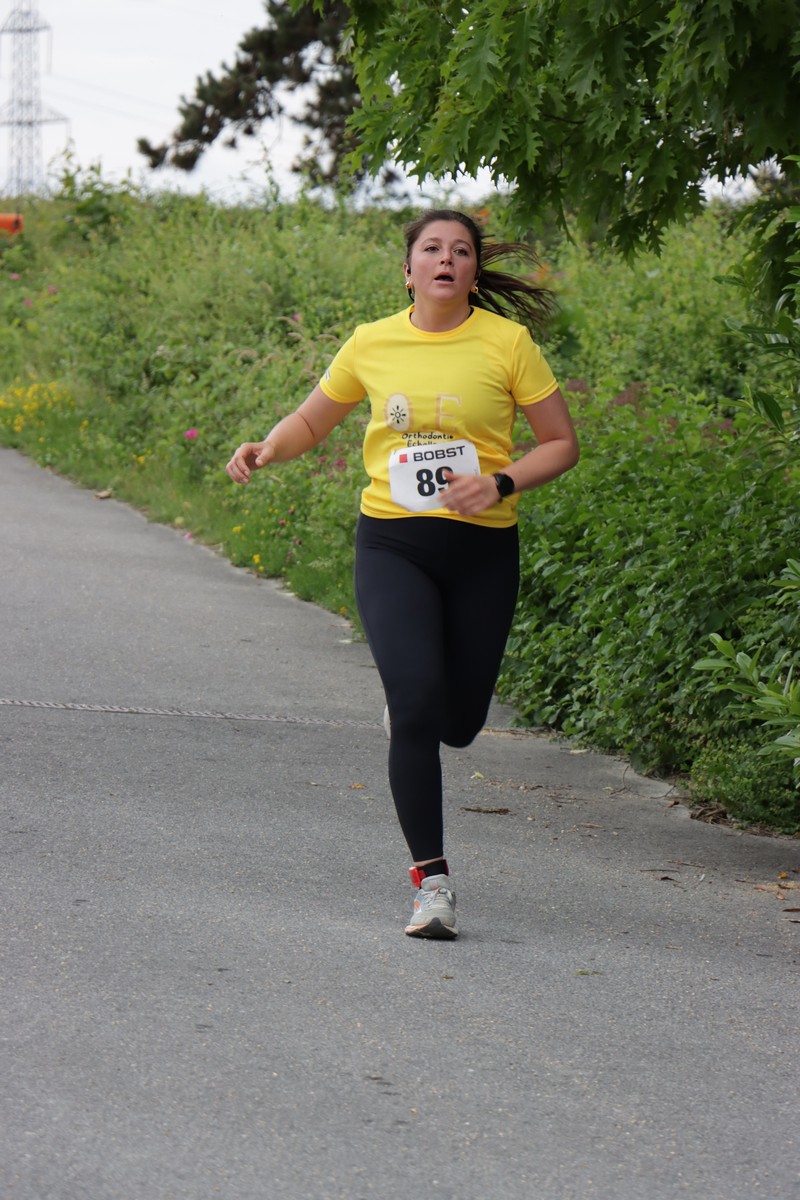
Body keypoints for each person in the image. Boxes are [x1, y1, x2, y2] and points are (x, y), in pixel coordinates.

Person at [226, 208, 579, 940]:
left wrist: (501, 482)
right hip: (393, 544)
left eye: (461, 251)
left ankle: (422, 710)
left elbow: (560, 443)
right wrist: (269, 447)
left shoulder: (508, 344)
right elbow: (313, 420)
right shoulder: (372, 342)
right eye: (432, 249)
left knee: (460, 724)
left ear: (473, 273)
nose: (446, 259)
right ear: (409, 269)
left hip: (483, 550)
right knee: (416, 708)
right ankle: (432, 886)